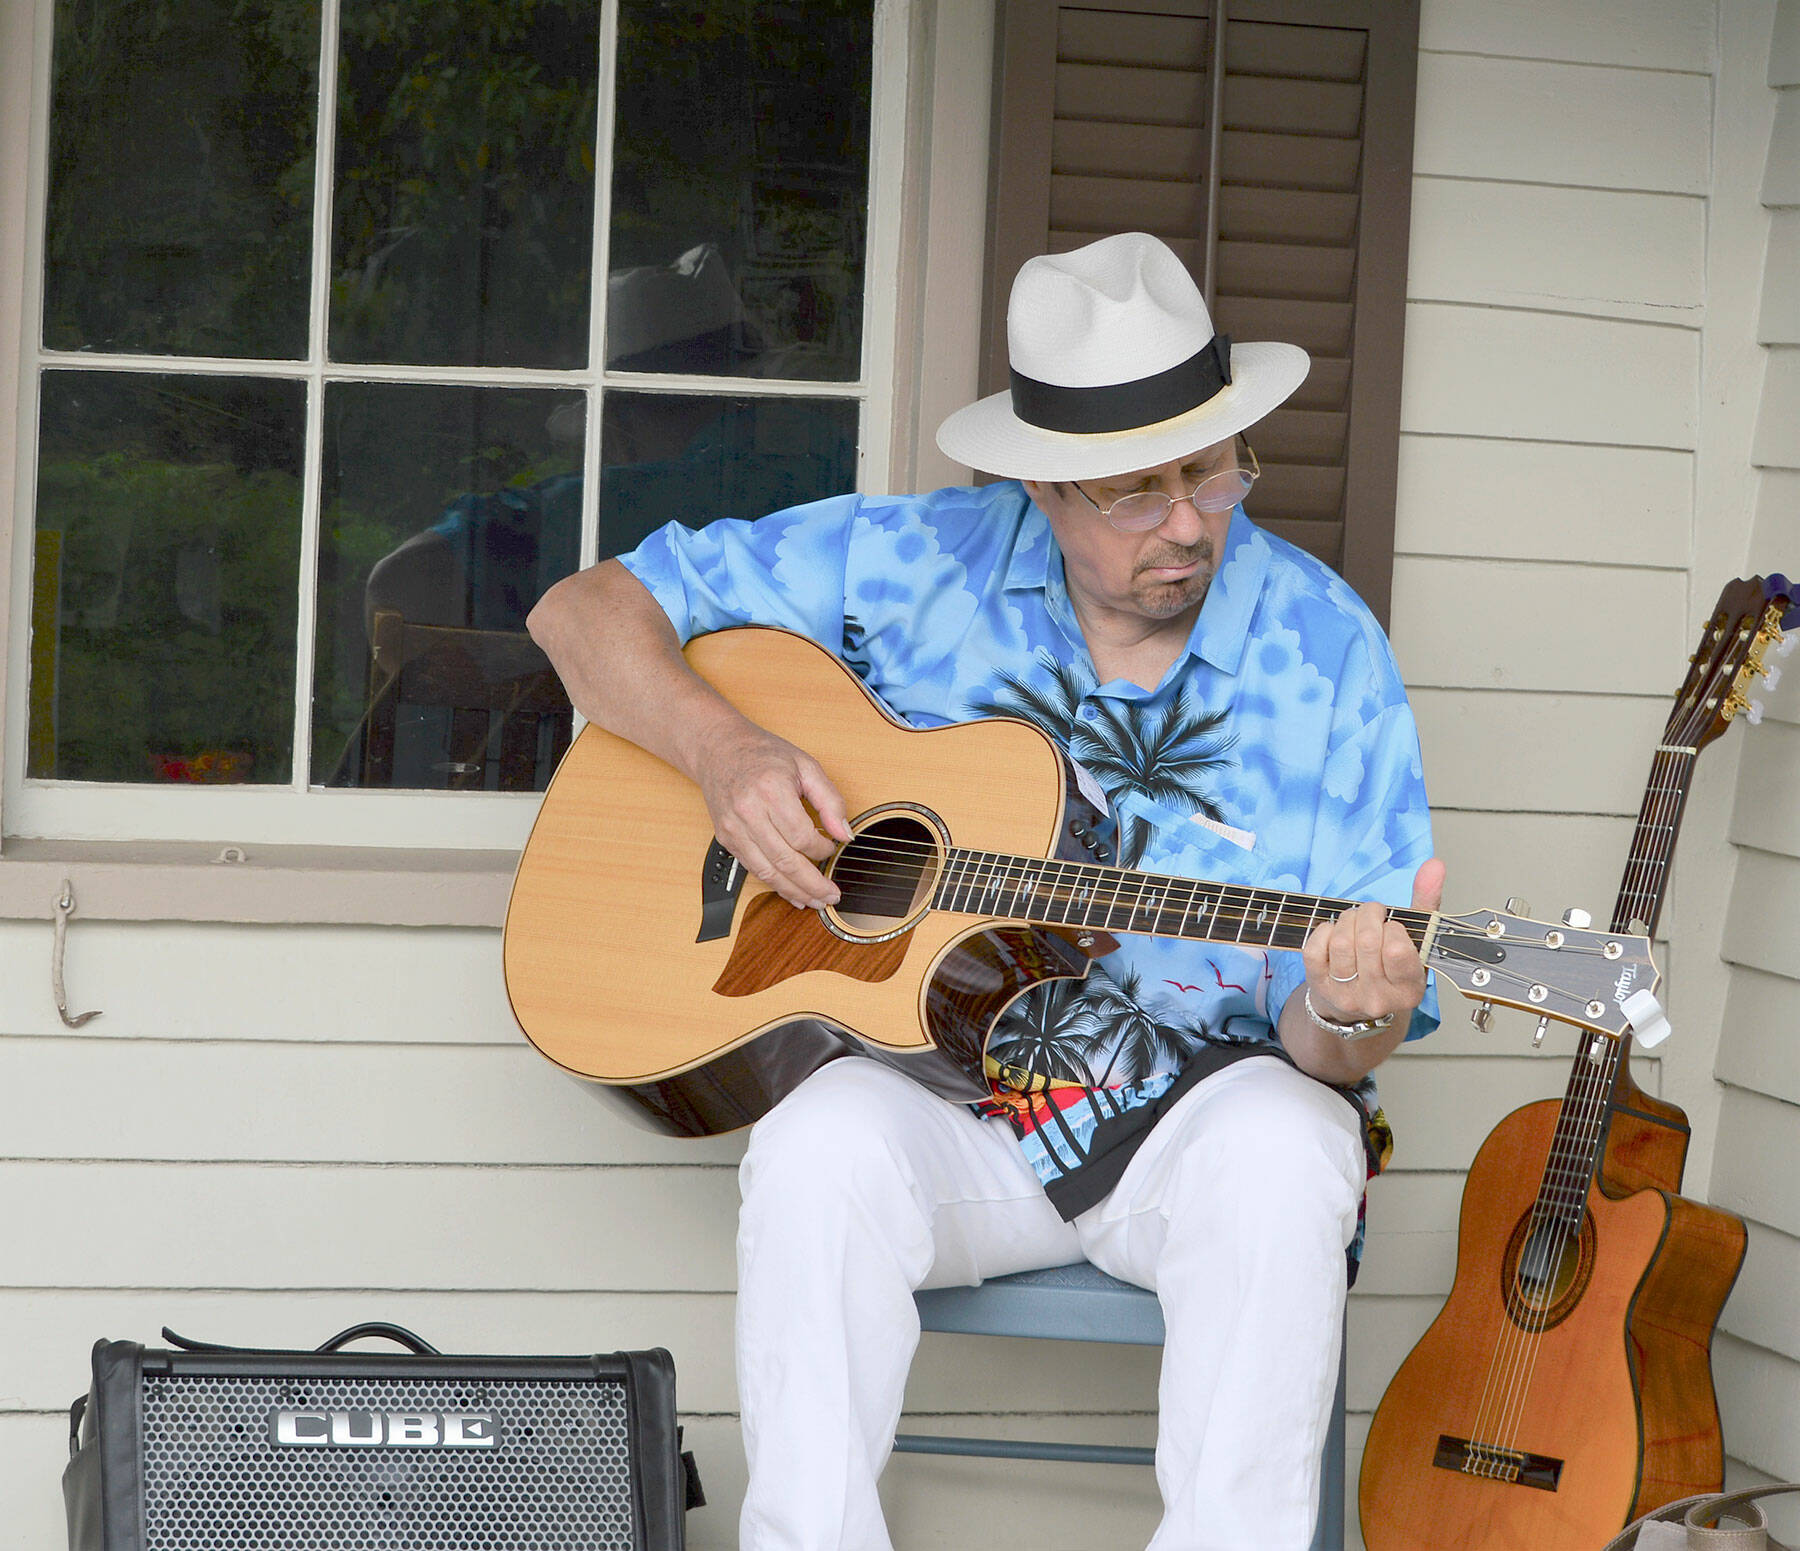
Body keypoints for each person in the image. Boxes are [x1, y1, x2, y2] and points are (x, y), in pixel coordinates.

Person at [527, 231, 1443, 1551]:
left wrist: (1354, 1012)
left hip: (1193, 1115)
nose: (1187, 522)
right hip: (947, 1093)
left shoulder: (1327, 649)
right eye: (1134, 492)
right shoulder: (903, 566)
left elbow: (1327, 1046)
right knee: (811, 1153)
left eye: (1210, 470)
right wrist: (726, 753)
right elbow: (581, 614)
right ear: (1046, 487)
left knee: (1296, 1150)